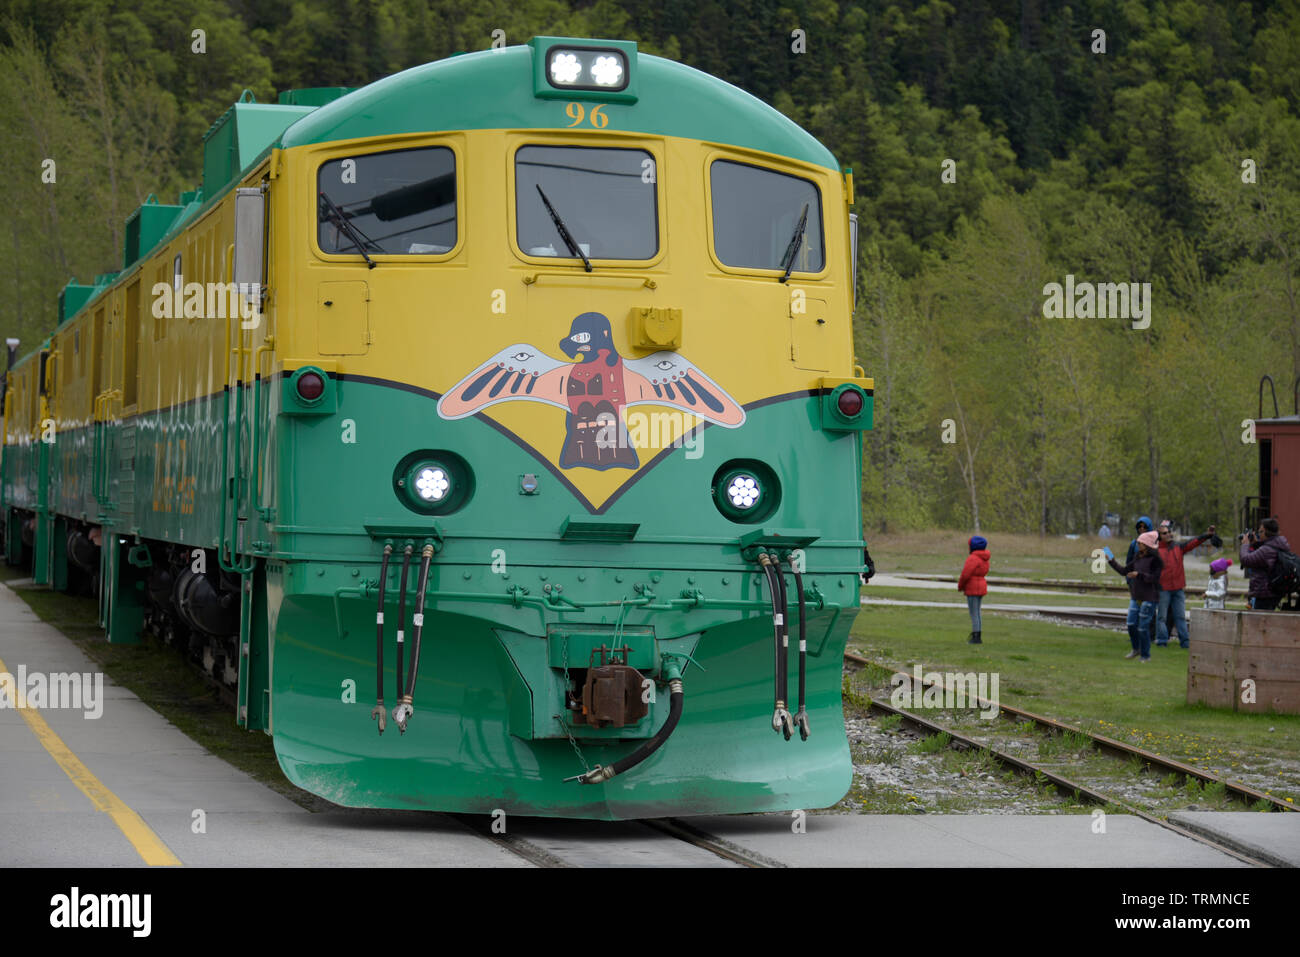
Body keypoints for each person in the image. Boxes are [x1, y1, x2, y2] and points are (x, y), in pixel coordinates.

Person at [1154, 520, 1217, 648]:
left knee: (1180, 617)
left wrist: (1207, 535)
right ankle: (1161, 641)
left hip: (1178, 589)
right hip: (1163, 589)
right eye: (1165, 533)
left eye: (1169, 532)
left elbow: (1193, 543)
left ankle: (1185, 642)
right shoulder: (1155, 551)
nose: (1168, 535)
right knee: (1161, 617)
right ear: (1159, 536)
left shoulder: (1178, 547)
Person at [1105, 530, 1163, 662]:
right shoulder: (1137, 557)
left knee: (1143, 627)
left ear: (1147, 544)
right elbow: (1124, 571)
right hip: (1136, 597)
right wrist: (1111, 560)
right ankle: (1136, 649)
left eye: (1140, 542)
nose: (1137, 544)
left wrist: (1139, 575)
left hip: (1149, 598)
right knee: (1131, 623)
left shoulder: (1155, 560)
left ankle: (1145, 656)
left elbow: (1154, 578)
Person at [1240, 517, 1293, 611]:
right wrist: (1256, 544)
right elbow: (1267, 553)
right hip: (1273, 591)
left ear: (1266, 532)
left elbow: (1246, 560)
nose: (1258, 534)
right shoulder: (1279, 544)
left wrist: (1245, 544)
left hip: (1264, 593)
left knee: (1259, 623)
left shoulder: (1266, 550)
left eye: (1260, 531)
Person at [1122, 516, 1154, 644]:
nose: (1142, 529)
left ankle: (1150, 635)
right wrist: (1128, 579)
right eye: (1140, 527)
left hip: (1148, 582)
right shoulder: (1134, 544)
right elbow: (1128, 562)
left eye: (1144, 527)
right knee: (1135, 611)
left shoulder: (1154, 543)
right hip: (1135, 583)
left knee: (1148, 611)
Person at [958, 535, 990, 644]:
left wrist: (960, 586)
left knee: (974, 613)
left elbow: (965, 574)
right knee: (978, 612)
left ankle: (976, 636)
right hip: (981, 585)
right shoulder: (984, 558)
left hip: (972, 587)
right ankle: (978, 634)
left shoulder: (973, 558)